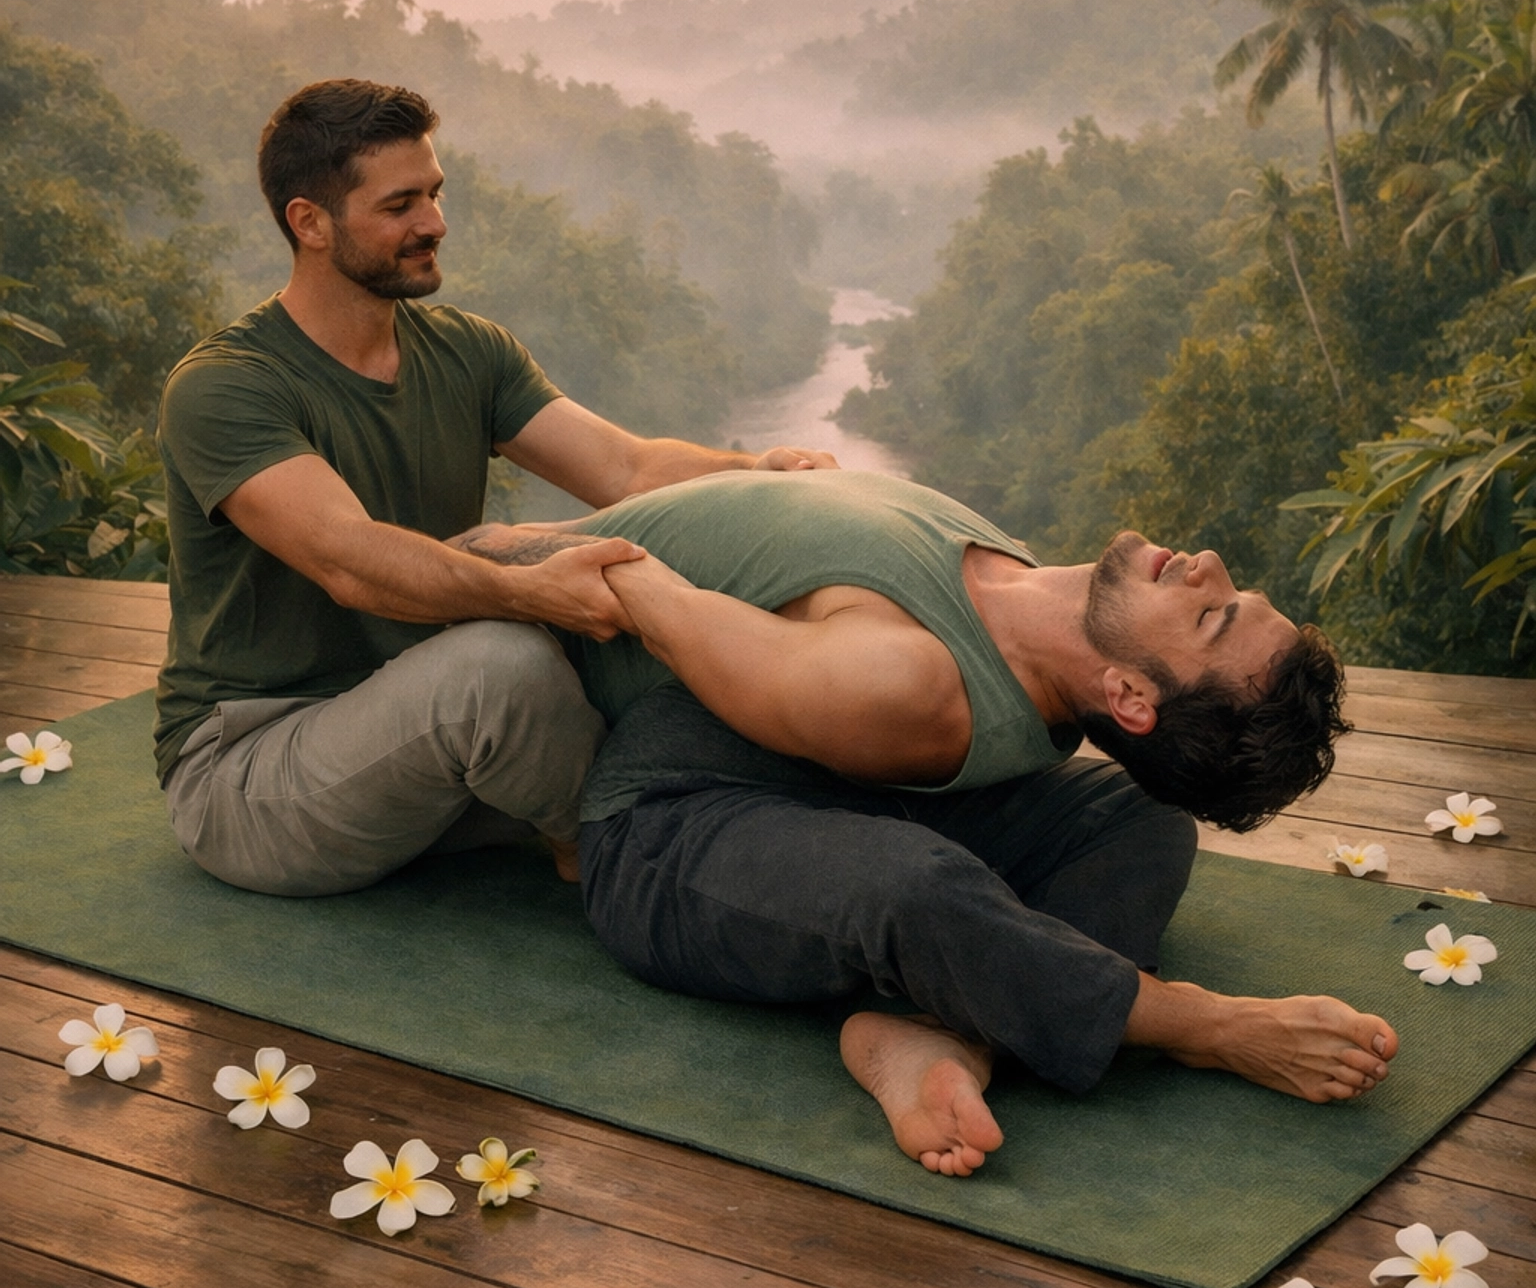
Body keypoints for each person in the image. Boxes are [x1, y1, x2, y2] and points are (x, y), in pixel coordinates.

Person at [458, 469, 1397, 1177]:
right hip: (679, 826)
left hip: (746, 810)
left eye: (1214, 616)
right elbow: (668, 549)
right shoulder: (985, 600)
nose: (1210, 568)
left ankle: (946, 1034)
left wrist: (496, 543)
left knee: (1138, 820)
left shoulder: (913, 680)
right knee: (914, 883)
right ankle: (1182, 1020)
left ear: (1128, 698)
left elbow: (632, 578)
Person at [154, 77, 837, 899]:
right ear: (311, 223)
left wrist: (760, 471)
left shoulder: (467, 351)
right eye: (401, 205)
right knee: (501, 660)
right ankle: (621, 865)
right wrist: (530, 592)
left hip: (434, 737)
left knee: (613, 598)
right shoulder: (227, 386)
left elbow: (627, 470)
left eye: (435, 195)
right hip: (255, 774)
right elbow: (350, 562)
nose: (434, 224)